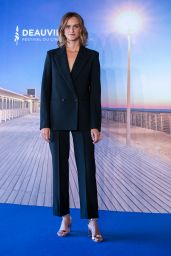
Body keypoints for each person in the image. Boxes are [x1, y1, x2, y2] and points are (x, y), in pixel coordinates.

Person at [40, 12, 103, 242]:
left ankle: (92, 220)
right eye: (68, 26)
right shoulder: (52, 56)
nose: (72, 30)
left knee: (87, 169)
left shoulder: (92, 56)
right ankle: (65, 216)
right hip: (56, 119)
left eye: (76, 26)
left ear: (81, 30)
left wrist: (96, 124)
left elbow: (95, 94)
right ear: (62, 30)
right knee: (59, 169)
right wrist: (44, 123)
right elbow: (45, 90)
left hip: (83, 119)